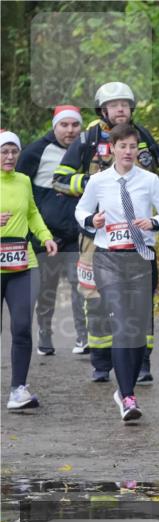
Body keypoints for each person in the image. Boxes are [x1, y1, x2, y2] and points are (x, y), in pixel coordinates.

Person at [54, 82, 159, 383]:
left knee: (140, 299)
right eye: (114, 105)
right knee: (95, 298)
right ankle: (101, 361)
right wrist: (93, 184)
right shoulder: (87, 139)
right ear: (102, 110)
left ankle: (142, 362)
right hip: (96, 237)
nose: (120, 109)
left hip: (138, 238)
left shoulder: (142, 138)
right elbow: (60, 179)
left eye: (125, 104)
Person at [74, 123, 159, 422]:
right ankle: (127, 396)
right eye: (122, 146)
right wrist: (92, 220)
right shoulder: (98, 181)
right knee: (121, 325)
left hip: (141, 258)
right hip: (109, 259)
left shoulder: (150, 180)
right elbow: (80, 210)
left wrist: (153, 222)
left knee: (137, 330)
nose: (128, 152)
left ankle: (125, 390)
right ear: (112, 148)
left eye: (132, 147)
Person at [16, 106, 89, 355]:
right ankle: (45, 334)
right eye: (64, 125)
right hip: (46, 235)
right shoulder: (36, 151)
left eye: (75, 125)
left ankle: (83, 337)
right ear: (54, 126)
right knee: (46, 289)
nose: (70, 130)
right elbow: (17, 187)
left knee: (80, 285)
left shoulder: (87, 149)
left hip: (78, 232)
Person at [1, 130, 59, 409]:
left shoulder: (24, 180)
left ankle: (18, 390)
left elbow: (33, 213)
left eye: (14, 151)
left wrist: (45, 236)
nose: (10, 156)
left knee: (22, 327)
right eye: (4, 151)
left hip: (23, 264)